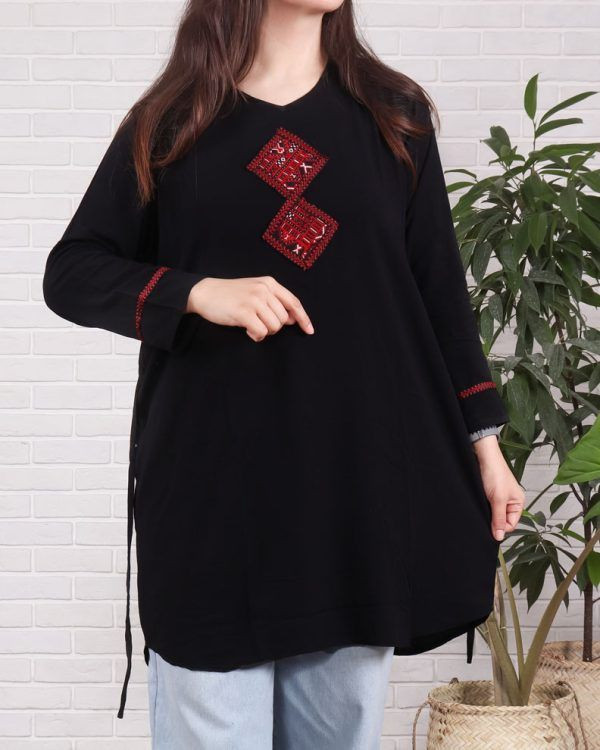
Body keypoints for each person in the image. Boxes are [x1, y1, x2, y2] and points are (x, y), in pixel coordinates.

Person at [41, 0, 526, 747]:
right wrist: (198, 292)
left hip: (353, 498)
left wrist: (484, 448)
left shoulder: (393, 116)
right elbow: (72, 271)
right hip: (210, 499)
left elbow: (439, 296)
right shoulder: (175, 121)